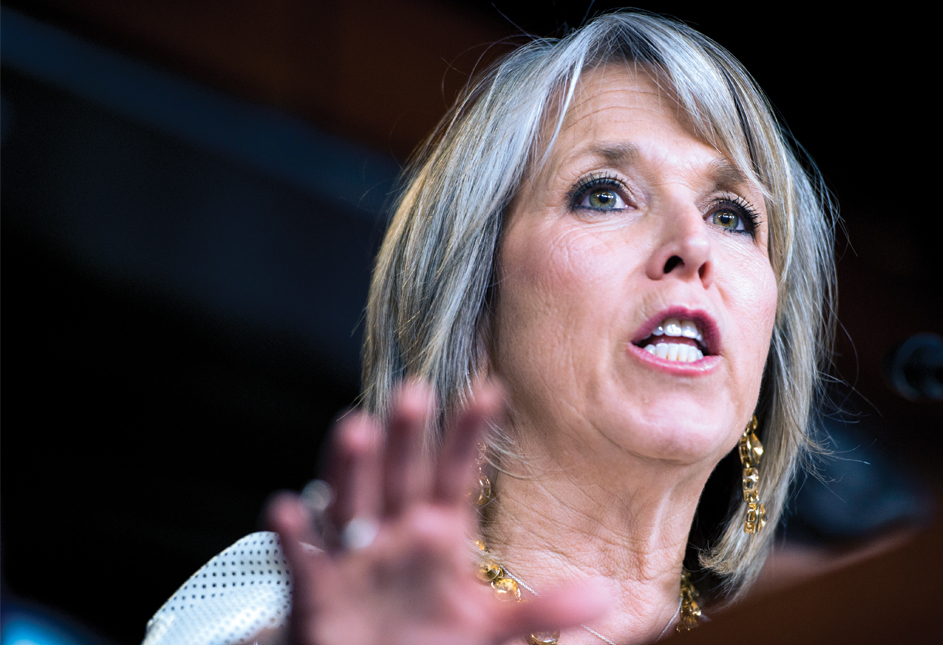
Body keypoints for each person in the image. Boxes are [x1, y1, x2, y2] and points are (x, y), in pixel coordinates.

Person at [142, 11, 835, 645]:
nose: (693, 243)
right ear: (473, 309)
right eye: (603, 194)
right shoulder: (305, 601)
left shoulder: (831, 620)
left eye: (733, 215)